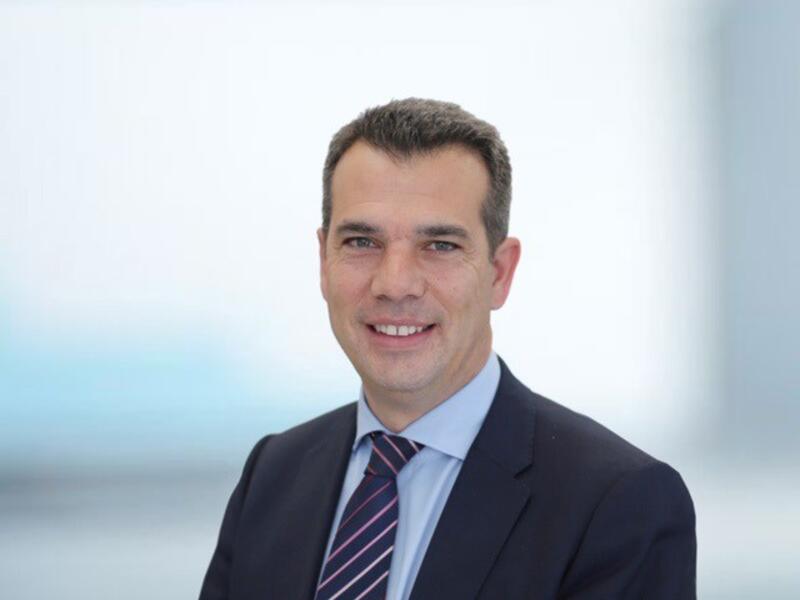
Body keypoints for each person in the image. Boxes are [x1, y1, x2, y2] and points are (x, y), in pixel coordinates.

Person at [199, 98, 696, 600]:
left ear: (499, 274)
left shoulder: (619, 504)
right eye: (362, 242)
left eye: (440, 246)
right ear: (324, 262)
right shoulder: (273, 474)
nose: (395, 284)